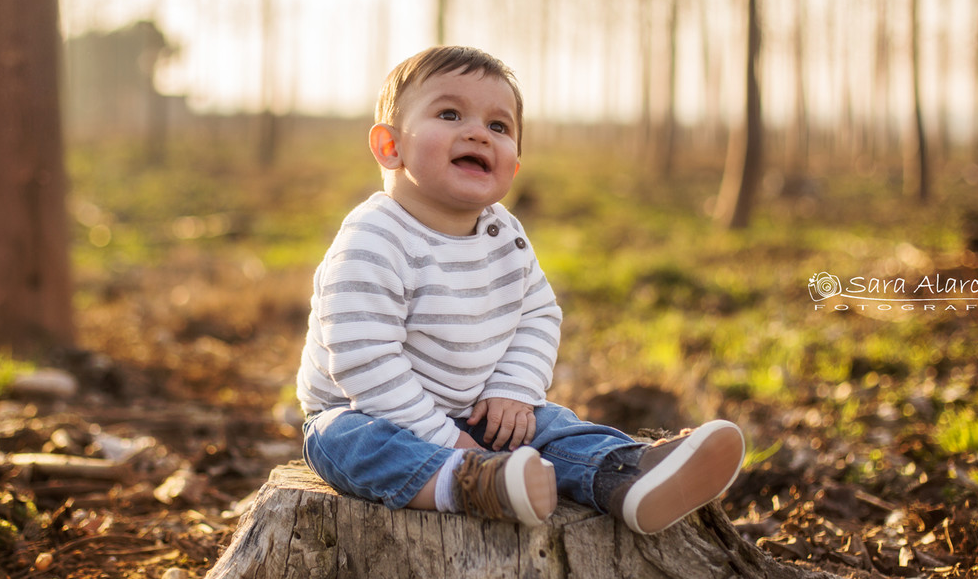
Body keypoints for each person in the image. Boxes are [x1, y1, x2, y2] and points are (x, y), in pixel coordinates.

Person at [297, 45, 745, 533]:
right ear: (390, 147)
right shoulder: (374, 237)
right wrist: (443, 441)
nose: (477, 133)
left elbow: (537, 315)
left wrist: (512, 389)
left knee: (551, 423)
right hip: (371, 409)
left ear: (513, 166)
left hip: (475, 406)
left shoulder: (502, 233)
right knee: (350, 442)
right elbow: (365, 361)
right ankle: (468, 483)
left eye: (499, 127)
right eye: (449, 114)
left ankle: (626, 474)